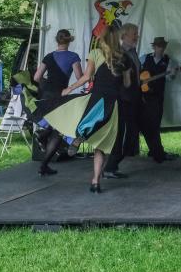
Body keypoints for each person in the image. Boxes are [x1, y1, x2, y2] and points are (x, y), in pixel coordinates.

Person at [32, 27, 130, 192]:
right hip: (113, 104)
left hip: (93, 99)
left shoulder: (94, 53)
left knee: (74, 115)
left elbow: (85, 77)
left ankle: (74, 137)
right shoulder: (123, 57)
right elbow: (127, 84)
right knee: (101, 144)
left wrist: (69, 88)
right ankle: (95, 181)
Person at [104, 23, 143, 178]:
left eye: (137, 33)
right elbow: (118, 78)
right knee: (122, 133)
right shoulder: (118, 53)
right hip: (123, 99)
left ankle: (112, 166)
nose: (137, 36)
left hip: (134, 97)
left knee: (131, 133)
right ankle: (110, 167)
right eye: (134, 34)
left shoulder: (133, 52)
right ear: (124, 35)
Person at [139, 36, 177, 163]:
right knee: (144, 124)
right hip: (142, 97)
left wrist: (172, 74)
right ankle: (155, 151)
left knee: (155, 124)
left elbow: (170, 78)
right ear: (154, 47)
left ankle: (157, 151)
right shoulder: (144, 58)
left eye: (162, 46)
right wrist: (140, 80)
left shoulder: (169, 61)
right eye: (158, 46)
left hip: (157, 97)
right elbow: (135, 71)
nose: (160, 48)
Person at [33, 29, 83, 99]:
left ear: (57, 40)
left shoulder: (48, 56)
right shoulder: (73, 56)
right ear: (69, 41)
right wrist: (89, 75)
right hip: (59, 93)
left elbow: (36, 78)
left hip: (44, 93)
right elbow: (80, 78)